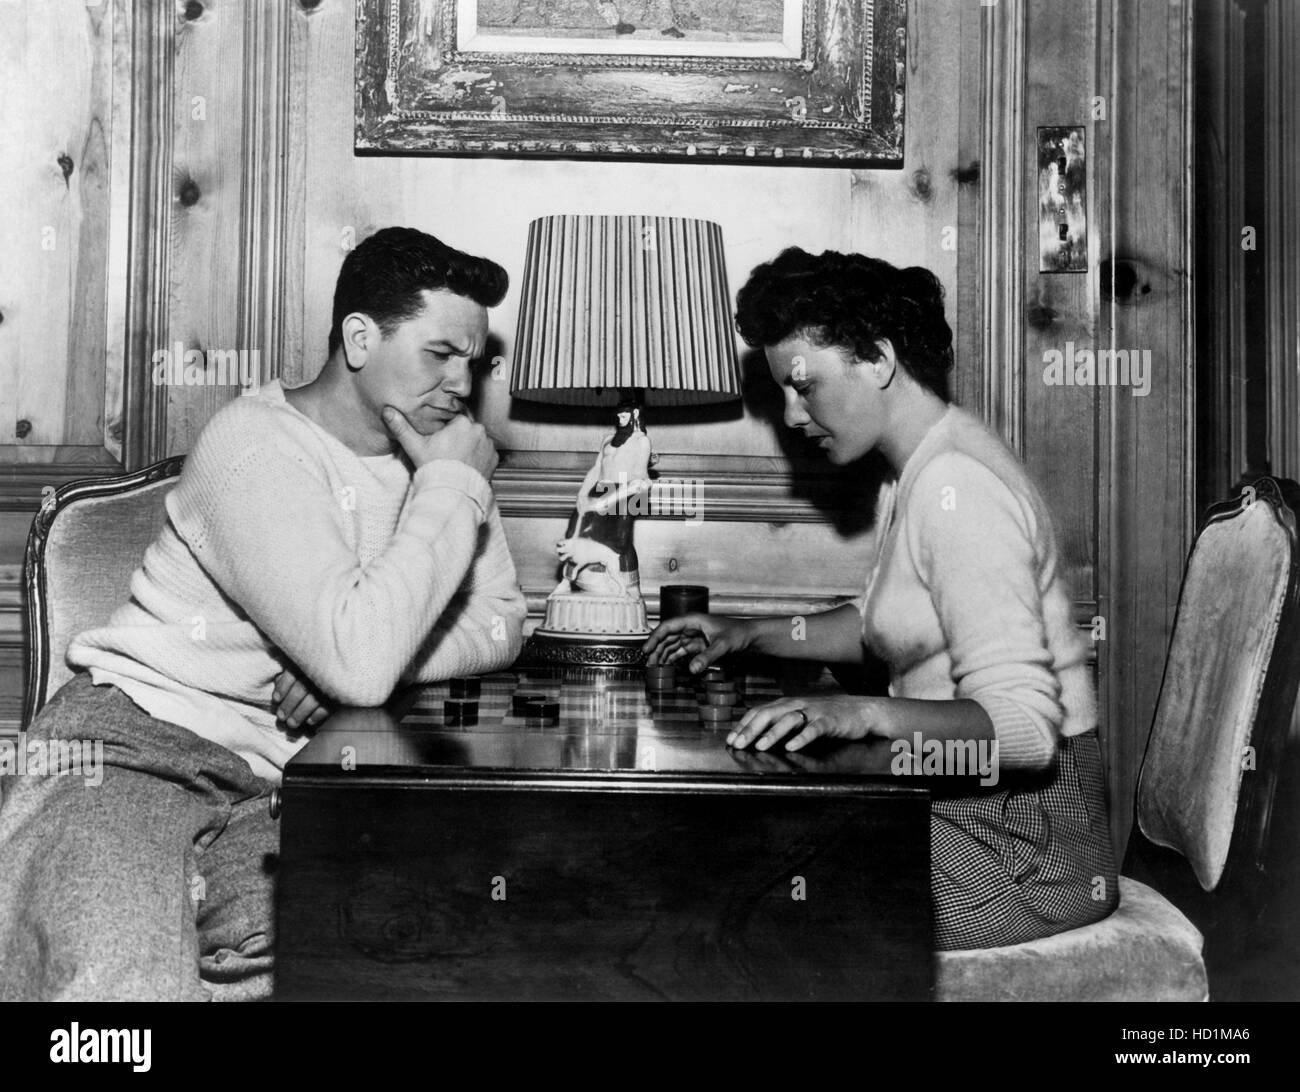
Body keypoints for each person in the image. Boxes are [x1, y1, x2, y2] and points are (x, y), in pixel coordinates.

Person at [0, 227, 526, 999]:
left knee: (347, 958)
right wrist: (355, 655)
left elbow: (504, 619)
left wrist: (366, 663)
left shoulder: (447, 464)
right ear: (358, 338)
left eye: (473, 363)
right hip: (136, 745)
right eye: (438, 353)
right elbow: (361, 657)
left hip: (288, 782)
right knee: (116, 979)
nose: (459, 382)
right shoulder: (255, 441)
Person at [644, 247, 1119, 951]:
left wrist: (859, 710)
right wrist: (746, 631)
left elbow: (1024, 732)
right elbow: (880, 627)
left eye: (804, 384)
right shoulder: (922, 467)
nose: (791, 413)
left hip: (1028, 853)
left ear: (879, 360)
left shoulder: (959, 488)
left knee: (744, 903)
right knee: (735, 865)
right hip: (970, 807)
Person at [554, 399, 654, 598]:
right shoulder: (608, 439)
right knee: (575, 530)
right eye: (618, 415)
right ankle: (567, 580)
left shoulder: (642, 441)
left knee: (619, 541)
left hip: (628, 491)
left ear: (635, 414)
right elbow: (596, 468)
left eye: (624, 415)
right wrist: (583, 494)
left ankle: (627, 587)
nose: (619, 419)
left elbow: (641, 479)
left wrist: (607, 502)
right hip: (601, 488)